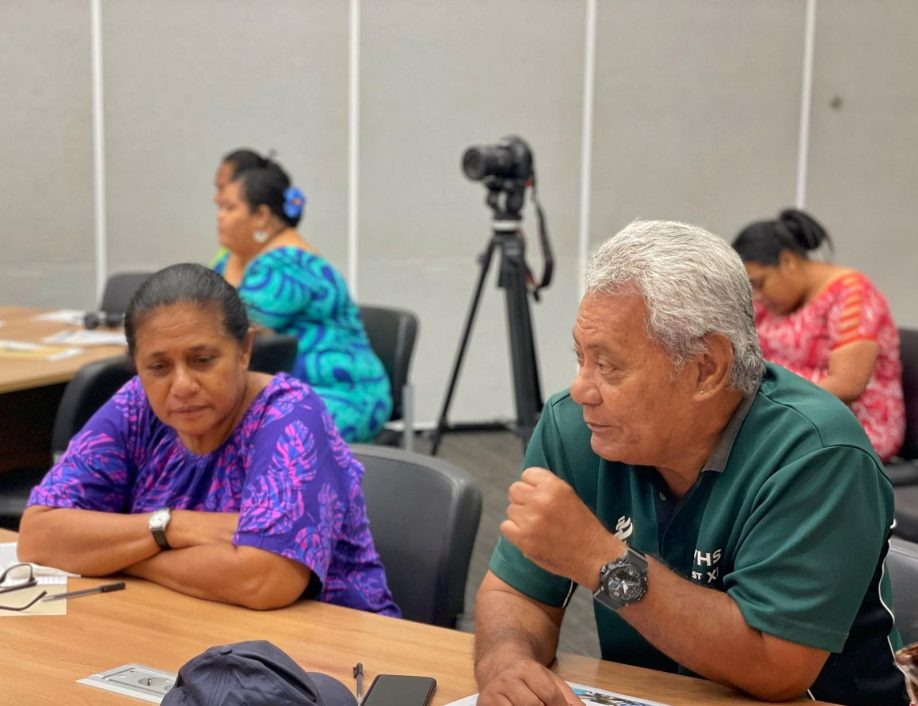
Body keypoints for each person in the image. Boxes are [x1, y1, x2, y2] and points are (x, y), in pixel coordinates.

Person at [474, 221, 908, 706]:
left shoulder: (818, 455)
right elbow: (517, 593)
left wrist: (602, 560)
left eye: (609, 365)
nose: (581, 389)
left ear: (706, 367)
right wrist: (507, 662)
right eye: (580, 358)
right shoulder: (575, 427)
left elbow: (776, 669)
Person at [18, 264, 399, 615]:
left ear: (244, 350)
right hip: (196, 627)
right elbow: (38, 537)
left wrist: (113, 553)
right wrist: (172, 527)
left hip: (335, 650)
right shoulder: (138, 405)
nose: (182, 385)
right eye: (158, 366)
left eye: (202, 360)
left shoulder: (290, 416)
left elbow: (264, 580)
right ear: (137, 364)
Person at [213, 164, 392, 443]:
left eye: (229, 208)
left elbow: (221, 324)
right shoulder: (246, 258)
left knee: (227, 424)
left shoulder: (289, 264)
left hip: (343, 394)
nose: (219, 217)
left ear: (261, 216)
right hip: (289, 389)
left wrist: (233, 265)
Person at [733, 209, 904, 462]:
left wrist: (767, 411)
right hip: (782, 419)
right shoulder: (772, 302)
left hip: (847, 426)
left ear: (788, 261)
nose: (756, 295)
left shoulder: (854, 296)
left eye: (759, 283)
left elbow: (847, 385)